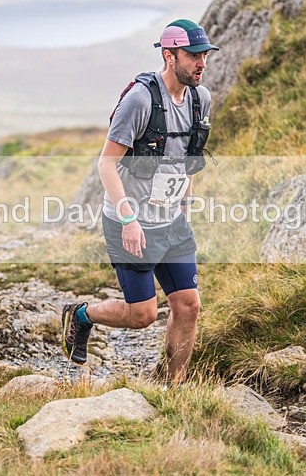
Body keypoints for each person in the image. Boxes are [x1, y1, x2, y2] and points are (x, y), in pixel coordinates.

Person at [62, 19, 219, 384]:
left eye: (205, 56)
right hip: (129, 221)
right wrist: (128, 219)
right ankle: (82, 314)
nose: (202, 63)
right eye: (194, 56)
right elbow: (106, 163)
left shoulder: (201, 99)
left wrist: (184, 206)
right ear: (169, 55)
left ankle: (173, 389)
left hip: (172, 222)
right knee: (142, 315)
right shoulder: (140, 100)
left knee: (189, 306)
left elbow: (189, 158)